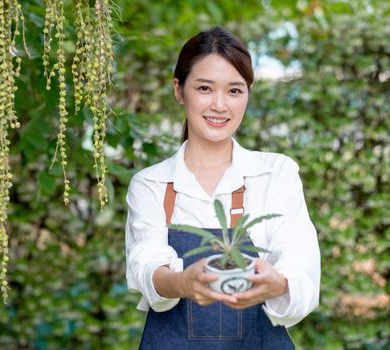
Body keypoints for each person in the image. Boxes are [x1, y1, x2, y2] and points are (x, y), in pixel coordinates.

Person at [125, 26, 320, 349]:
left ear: (248, 94)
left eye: (234, 90)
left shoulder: (276, 173)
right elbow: (146, 266)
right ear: (179, 90)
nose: (219, 105)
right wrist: (183, 282)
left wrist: (277, 283)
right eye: (204, 88)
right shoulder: (152, 184)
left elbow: (301, 266)